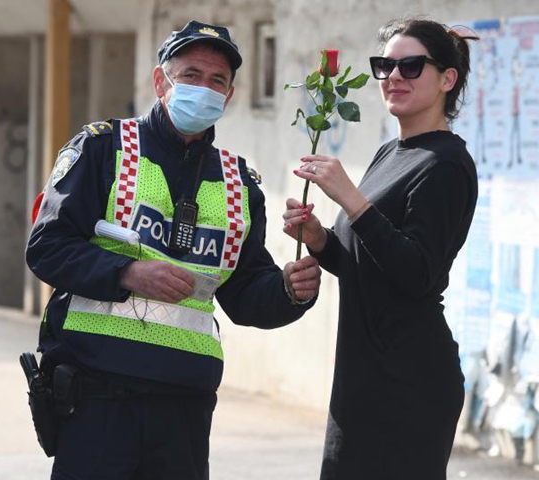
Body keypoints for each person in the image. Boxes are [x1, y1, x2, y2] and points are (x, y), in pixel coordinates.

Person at [27, 20, 322, 480]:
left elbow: (245, 294)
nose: (203, 89)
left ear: (229, 95)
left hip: (184, 406)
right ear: (160, 80)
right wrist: (126, 272)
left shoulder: (239, 183)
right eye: (190, 75)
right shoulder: (103, 148)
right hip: (96, 397)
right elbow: (46, 247)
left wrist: (290, 291)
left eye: (217, 81)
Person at [282, 17, 479, 480]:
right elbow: (366, 263)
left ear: (447, 79)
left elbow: (417, 273)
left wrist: (350, 197)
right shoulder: (391, 153)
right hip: (362, 372)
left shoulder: (447, 164)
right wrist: (320, 240)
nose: (393, 77)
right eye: (384, 66)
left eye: (410, 66)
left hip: (409, 381)